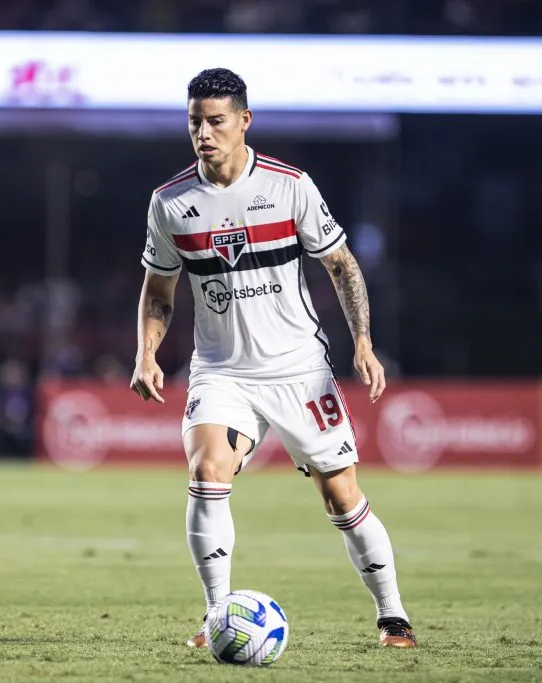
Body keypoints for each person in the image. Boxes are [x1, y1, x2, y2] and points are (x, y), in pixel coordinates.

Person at [130, 67, 416, 649]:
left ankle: (393, 615)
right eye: (195, 123)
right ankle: (216, 618)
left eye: (215, 122)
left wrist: (362, 340)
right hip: (221, 370)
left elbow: (341, 266)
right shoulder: (171, 202)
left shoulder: (290, 186)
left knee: (342, 496)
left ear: (244, 121)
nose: (204, 134)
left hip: (298, 370)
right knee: (207, 472)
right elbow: (159, 289)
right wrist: (146, 352)